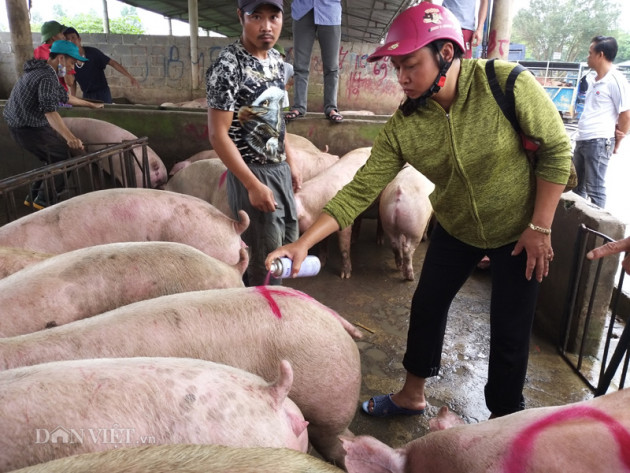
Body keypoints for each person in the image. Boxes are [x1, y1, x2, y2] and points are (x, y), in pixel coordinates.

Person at [266, 3, 572, 418]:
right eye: (397, 67)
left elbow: (556, 150)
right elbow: (360, 189)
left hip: (520, 230)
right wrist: (303, 243)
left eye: (410, 65)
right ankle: (412, 395)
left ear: (445, 53)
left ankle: (504, 420)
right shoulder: (405, 124)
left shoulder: (505, 83)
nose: (402, 78)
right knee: (426, 305)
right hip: (455, 226)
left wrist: (540, 226)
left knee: (510, 330)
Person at [206, 0, 301, 286]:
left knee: (284, 248)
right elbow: (217, 134)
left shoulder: (276, 62)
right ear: (240, 17)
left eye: (274, 16)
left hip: (279, 170)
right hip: (251, 172)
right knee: (262, 259)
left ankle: (273, 308)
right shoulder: (227, 66)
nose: (266, 26)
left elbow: (276, 119)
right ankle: (258, 316)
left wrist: (291, 163)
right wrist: (251, 184)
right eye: (256, 16)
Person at [3, 40, 104, 209]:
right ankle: (44, 201)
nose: (72, 68)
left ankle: (34, 195)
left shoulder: (42, 71)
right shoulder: (47, 76)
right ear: (61, 59)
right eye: (71, 62)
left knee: (52, 157)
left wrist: (90, 105)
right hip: (29, 128)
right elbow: (50, 111)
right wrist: (70, 138)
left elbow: (65, 97)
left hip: (20, 126)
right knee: (65, 157)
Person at [572, 36, 630, 208]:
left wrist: (619, 138)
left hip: (598, 141)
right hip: (583, 139)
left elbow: (625, 114)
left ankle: (597, 232)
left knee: (595, 189)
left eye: (590, 53)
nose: (588, 57)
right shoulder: (594, 80)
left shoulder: (615, 80)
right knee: (577, 187)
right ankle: (578, 227)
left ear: (601, 55)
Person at [284, 0, 343, 122]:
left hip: (330, 10)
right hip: (302, 9)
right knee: (300, 65)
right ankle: (299, 107)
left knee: (332, 66)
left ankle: (331, 108)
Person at [63, 27, 140, 103]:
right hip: (87, 95)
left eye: (73, 37)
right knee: (90, 115)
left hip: (102, 93)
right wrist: (73, 98)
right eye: (67, 39)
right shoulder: (69, 60)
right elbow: (73, 81)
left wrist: (130, 77)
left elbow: (112, 63)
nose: (71, 41)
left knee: (105, 113)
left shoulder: (93, 53)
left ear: (79, 39)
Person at [423, 0, 488, 59]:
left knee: (464, 64)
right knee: (441, 60)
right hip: (446, 24)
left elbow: (484, 1)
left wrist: (479, 29)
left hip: (466, 27)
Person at [34, 20, 76, 93]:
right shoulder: (66, 52)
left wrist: (62, 66)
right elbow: (70, 82)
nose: (64, 36)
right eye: (61, 33)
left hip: (42, 93)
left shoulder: (37, 52)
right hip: (59, 96)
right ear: (53, 37)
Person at [274, 43, 294, 109]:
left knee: (284, 118)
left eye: (280, 55)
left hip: (283, 101)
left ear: (282, 56)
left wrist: (288, 85)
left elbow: (297, 76)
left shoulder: (287, 66)